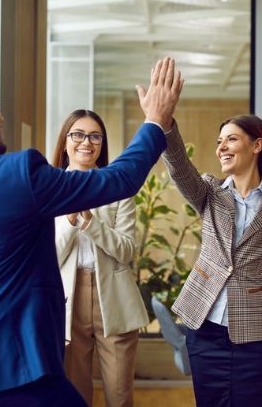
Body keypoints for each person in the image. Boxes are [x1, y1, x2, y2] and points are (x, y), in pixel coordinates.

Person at [0, 57, 183, 406]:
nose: (1, 117)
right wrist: (155, 120)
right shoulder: (19, 173)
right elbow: (119, 179)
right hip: (19, 370)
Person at [137, 110, 262, 406]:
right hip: (204, 329)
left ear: (257, 145)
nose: (222, 148)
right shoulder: (210, 191)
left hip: (258, 334)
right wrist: (165, 124)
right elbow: (179, 167)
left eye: (232, 139)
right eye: (220, 142)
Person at [51, 109, 148, 407]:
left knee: (119, 395)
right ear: (65, 141)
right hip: (67, 299)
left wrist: (92, 224)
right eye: (78, 134)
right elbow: (47, 258)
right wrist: (69, 221)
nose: (86, 142)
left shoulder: (117, 188)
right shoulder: (49, 188)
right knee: (75, 395)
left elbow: (127, 251)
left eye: (94, 136)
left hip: (114, 299)